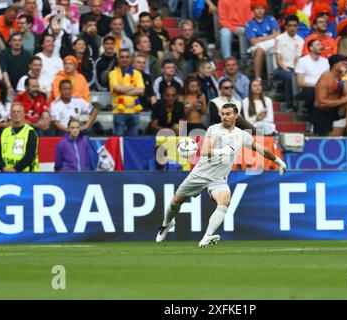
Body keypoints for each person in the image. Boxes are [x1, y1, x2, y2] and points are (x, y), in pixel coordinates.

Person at [155, 103, 287, 248]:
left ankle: (207, 236)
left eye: (228, 114)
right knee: (176, 202)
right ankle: (166, 224)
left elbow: (261, 150)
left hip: (218, 179)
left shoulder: (242, 135)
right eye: (222, 114)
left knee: (225, 200)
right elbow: (205, 150)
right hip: (200, 174)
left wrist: (279, 161)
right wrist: (223, 151)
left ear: (236, 115)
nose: (224, 117)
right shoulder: (214, 129)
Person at [313, 54, 347, 136]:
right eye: (342, 63)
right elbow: (322, 102)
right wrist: (343, 100)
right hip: (323, 112)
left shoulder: (340, 77)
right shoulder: (325, 79)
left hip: (335, 109)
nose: (345, 65)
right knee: (324, 136)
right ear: (335, 65)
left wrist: (344, 76)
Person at [109, 48, 145, 136]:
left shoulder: (137, 73)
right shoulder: (113, 73)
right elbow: (117, 89)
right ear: (118, 59)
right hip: (119, 112)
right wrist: (133, 89)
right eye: (122, 57)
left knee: (133, 143)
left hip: (134, 112)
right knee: (119, 142)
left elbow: (141, 90)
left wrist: (123, 90)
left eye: (127, 57)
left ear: (131, 59)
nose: (124, 59)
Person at [0, 102, 39, 172]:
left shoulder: (30, 132)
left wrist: (15, 169)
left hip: (27, 174)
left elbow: (30, 155)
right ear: (11, 115)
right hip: (6, 173)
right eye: (13, 112)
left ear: (24, 114)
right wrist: (3, 168)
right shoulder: (5, 132)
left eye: (19, 111)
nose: (16, 114)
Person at [273, 14, 304, 108]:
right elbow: (278, 60)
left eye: (295, 26)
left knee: (297, 76)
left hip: (294, 68)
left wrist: (295, 71)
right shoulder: (279, 39)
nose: (292, 28)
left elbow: (297, 59)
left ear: (298, 26)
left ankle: (299, 103)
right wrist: (289, 71)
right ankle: (290, 104)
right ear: (285, 26)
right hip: (280, 68)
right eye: (290, 26)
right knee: (290, 76)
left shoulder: (300, 40)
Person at [245, 0, 281, 81]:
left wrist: (260, 39)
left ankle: (275, 77)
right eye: (257, 8)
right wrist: (271, 36)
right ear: (253, 9)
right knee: (259, 50)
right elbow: (253, 42)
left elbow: (278, 34)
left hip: (272, 44)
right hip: (256, 47)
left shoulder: (271, 19)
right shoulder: (249, 24)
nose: (260, 11)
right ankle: (258, 78)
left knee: (276, 47)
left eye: (262, 8)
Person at [295, 39, 330, 116]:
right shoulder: (302, 61)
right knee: (311, 93)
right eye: (318, 45)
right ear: (311, 48)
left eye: (321, 45)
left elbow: (328, 78)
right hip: (309, 88)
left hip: (323, 88)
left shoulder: (325, 61)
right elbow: (300, 82)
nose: (321, 47)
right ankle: (312, 118)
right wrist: (316, 85)